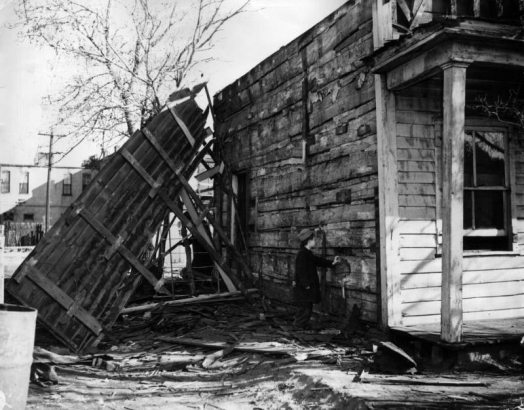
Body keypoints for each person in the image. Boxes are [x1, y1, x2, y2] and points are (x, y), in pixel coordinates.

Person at [293, 228, 340, 329]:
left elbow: (318, 261)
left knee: (307, 308)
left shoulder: (307, 253)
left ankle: (301, 325)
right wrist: (306, 285)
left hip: (307, 288)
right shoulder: (302, 255)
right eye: (314, 239)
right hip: (304, 288)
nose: (315, 241)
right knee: (305, 309)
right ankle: (298, 326)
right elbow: (301, 272)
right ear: (309, 241)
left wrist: (332, 263)